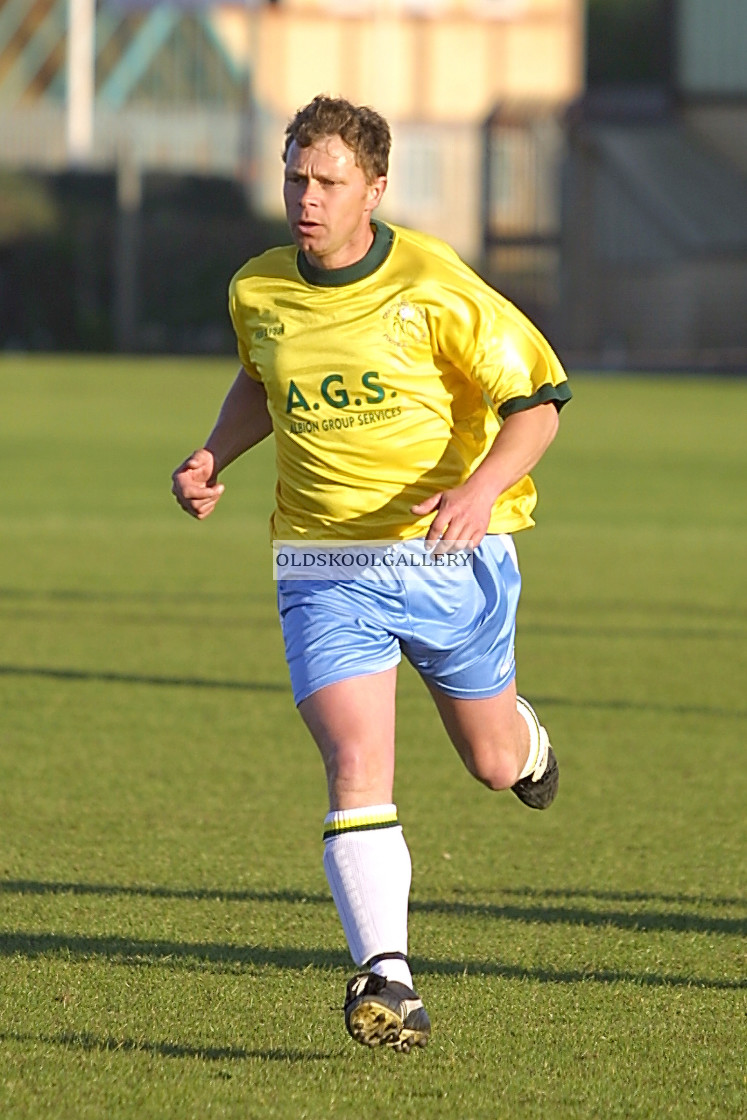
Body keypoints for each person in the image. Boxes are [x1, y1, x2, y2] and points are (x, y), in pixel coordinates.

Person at [172, 94, 571, 1054]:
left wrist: (477, 492)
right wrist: (212, 455)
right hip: (320, 561)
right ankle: (384, 976)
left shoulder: (437, 283)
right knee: (354, 762)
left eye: (328, 182)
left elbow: (538, 404)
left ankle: (524, 744)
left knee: (487, 761)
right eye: (295, 178)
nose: (306, 199)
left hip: (447, 554)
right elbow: (261, 378)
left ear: (375, 189)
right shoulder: (258, 288)